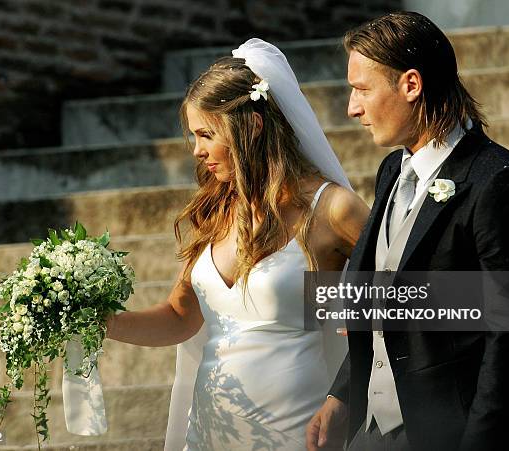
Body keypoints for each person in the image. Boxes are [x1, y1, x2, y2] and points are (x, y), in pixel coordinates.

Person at [106, 38, 370, 450]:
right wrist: (102, 322)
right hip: (212, 429)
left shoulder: (331, 208)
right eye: (194, 136)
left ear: (251, 126)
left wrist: (344, 393)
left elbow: (406, 297)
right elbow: (180, 317)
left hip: (299, 428)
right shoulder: (216, 213)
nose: (197, 151)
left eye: (207, 134)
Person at [306, 11, 509, 451]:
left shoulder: (498, 183)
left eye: (361, 89)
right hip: (375, 432)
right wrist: (342, 394)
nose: (352, 107)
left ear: (411, 85)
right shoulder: (390, 171)